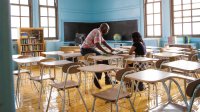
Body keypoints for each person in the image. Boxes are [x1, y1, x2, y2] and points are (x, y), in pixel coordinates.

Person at [80, 23, 115, 89]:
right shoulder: (97, 32)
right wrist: (106, 52)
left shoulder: (99, 32)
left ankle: (108, 79)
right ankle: (96, 79)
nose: (107, 31)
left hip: (89, 49)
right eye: (107, 30)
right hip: (86, 50)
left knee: (105, 60)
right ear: (104, 28)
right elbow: (97, 44)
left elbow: (104, 42)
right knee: (101, 58)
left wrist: (111, 49)